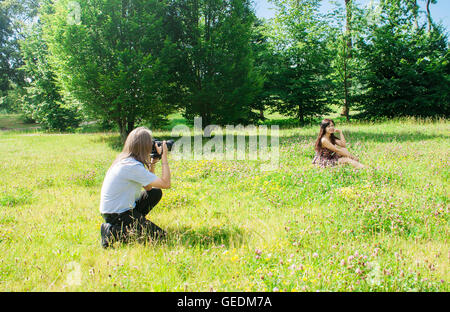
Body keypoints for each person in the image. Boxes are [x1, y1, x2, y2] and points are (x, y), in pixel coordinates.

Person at [99, 127, 171, 248]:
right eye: (150, 143)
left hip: (116, 211)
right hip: (117, 214)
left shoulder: (126, 161)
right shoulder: (132, 166)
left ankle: (135, 224)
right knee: (160, 237)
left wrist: (153, 161)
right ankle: (111, 231)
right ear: (143, 146)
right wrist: (164, 157)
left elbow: (148, 187)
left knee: (154, 192)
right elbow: (166, 183)